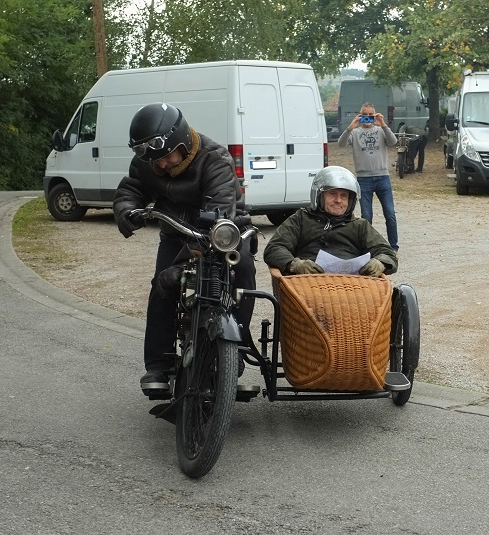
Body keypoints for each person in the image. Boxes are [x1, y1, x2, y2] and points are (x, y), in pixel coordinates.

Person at [113, 102, 256, 396]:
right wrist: (126, 209)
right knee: (161, 285)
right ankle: (158, 364)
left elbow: (220, 213)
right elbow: (132, 188)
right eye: (155, 162)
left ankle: (236, 352)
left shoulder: (215, 159)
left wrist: (180, 267)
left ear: (182, 142)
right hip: (177, 231)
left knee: (243, 272)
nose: (161, 166)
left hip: (223, 231)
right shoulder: (148, 161)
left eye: (166, 157)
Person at [263, 166, 398, 277]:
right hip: (305, 284)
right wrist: (295, 265)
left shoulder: (360, 225)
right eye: (332, 194)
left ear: (351, 201)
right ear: (319, 196)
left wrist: (380, 263)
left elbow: (387, 253)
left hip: (353, 287)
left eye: (344, 196)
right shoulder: (300, 219)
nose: (338, 200)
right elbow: (274, 248)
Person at [337, 102, 400, 251]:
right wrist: (350, 127)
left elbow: (393, 142)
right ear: (360, 116)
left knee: (390, 214)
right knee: (366, 216)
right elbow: (341, 144)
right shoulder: (355, 133)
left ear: (375, 115)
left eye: (370, 115)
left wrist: (383, 124)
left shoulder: (381, 131)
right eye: (364, 115)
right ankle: (368, 247)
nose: (367, 118)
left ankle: (393, 247)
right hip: (363, 179)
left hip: (382, 177)